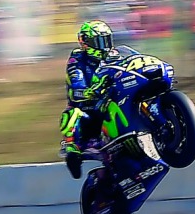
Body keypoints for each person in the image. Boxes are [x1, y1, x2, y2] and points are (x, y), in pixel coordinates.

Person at [60, 20, 141, 179]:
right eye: (99, 41)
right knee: (71, 114)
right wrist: (90, 92)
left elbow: (137, 61)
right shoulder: (77, 60)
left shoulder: (118, 53)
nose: (104, 46)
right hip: (91, 111)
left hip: (115, 100)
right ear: (86, 43)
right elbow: (76, 86)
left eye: (106, 40)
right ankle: (73, 152)